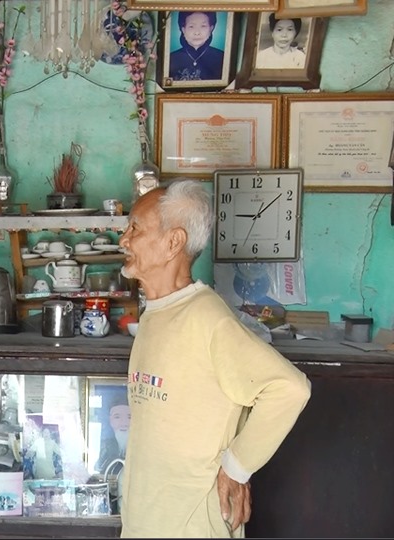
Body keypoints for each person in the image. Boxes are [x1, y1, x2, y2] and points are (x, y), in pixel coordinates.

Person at [116, 179, 311, 537]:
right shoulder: (157, 314)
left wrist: (237, 468)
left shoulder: (207, 317)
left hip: (190, 524)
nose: (124, 240)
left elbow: (289, 388)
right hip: (150, 520)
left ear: (173, 242)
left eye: (135, 229)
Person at [168, 11, 225, 81]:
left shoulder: (223, 58)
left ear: (211, 28)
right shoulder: (170, 59)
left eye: (203, 26)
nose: (197, 32)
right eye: (191, 26)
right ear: (183, 29)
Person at [94, 392, 130, 474]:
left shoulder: (142, 448)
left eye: (129, 417)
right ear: (110, 420)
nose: (123, 423)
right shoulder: (106, 446)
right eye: (117, 417)